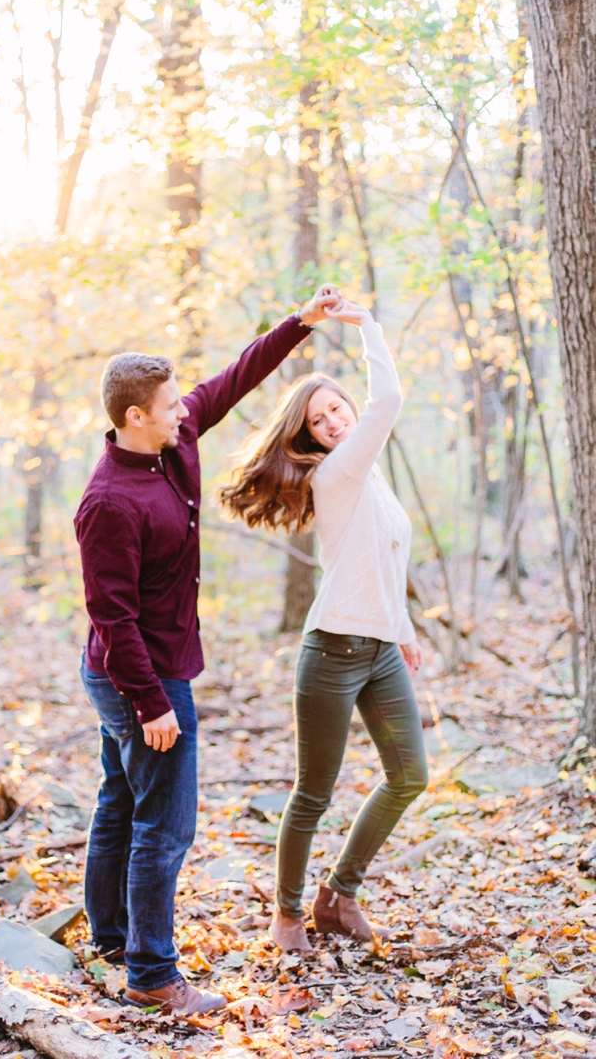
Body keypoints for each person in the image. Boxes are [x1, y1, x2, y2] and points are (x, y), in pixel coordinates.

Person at [73, 284, 342, 1013]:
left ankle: (110, 940)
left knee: (120, 803)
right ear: (135, 417)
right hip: (138, 677)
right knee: (167, 824)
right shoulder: (107, 503)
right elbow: (112, 614)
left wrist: (299, 325)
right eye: (168, 406)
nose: (183, 410)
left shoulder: (176, 441)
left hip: (152, 666)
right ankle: (152, 975)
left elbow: (231, 379)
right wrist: (151, 703)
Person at [220, 297, 428, 952]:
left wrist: (403, 629)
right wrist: (367, 322)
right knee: (314, 793)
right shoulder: (337, 473)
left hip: (379, 651)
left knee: (410, 775)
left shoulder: (372, 479)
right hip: (333, 653)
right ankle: (285, 916)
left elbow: (383, 557)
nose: (336, 420)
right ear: (309, 434)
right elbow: (387, 399)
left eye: (338, 407)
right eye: (321, 418)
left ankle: (338, 895)